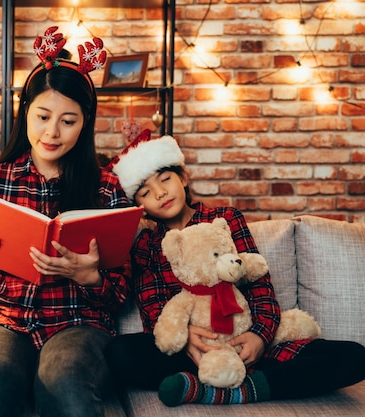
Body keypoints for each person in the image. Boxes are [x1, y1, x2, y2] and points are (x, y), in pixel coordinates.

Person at [104, 131, 365, 407]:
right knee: (120, 353)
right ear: (140, 206)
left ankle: (239, 388)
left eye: (165, 179)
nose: (160, 192)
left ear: (183, 178)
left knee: (353, 357)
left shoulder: (225, 219)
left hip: (245, 340)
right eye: (145, 191)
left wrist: (259, 336)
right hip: (194, 351)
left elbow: (259, 283)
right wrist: (187, 339)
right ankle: (211, 376)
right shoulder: (148, 244)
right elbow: (152, 308)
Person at [0, 27, 130, 417]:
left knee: (67, 387)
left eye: (68, 120)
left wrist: (90, 277)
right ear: (25, 111)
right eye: (43, 116)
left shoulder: (108, 189)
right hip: (1, 319)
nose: (52, 132)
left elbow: (121, 295)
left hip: (78, 322)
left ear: (85, 124)